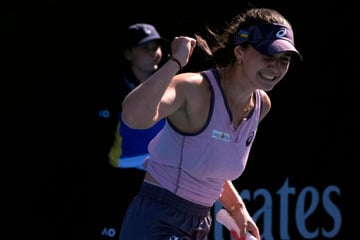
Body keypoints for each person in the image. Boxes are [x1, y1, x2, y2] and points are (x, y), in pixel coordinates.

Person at [119, 7, 301, 240]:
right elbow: (133, 117)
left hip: (200, 223)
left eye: (283, 60)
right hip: (156, 220)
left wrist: (237, 208)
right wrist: (175, 61)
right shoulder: (194, 88)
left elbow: (209, 165)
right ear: (240, 51)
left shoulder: (261, 105)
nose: (275, 68)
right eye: (267, 56)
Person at [93, 23, 168, 239]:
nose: (154, 53)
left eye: (156, 47)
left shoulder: (173, 88)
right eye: (146, 48)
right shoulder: (114, 93)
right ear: (128, 54)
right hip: (119, 183)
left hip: (160, 181)